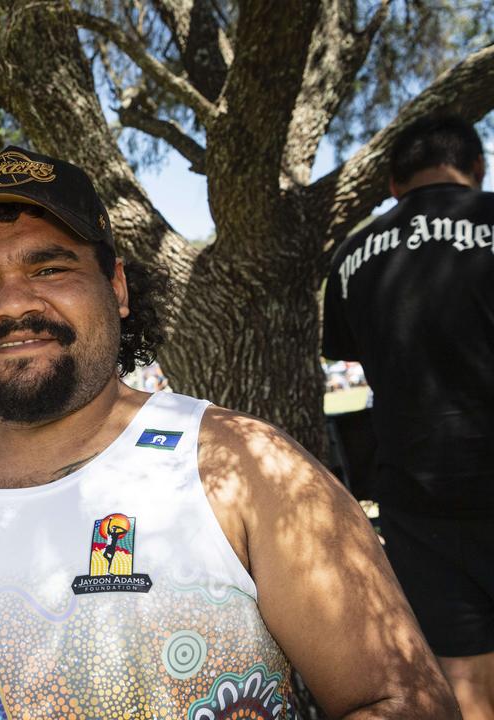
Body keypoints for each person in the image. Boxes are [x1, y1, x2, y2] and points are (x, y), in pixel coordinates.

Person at [0, 146, 457, 718]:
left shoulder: (247, 469)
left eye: (49, 269)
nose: (12, 303)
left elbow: (397, 700)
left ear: (117, 287)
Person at [323, 115, 494, 718]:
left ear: (394, 184)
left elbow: (354, 354)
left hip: (417, 500)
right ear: (478, 168)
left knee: (468, 684)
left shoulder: (350, 258)